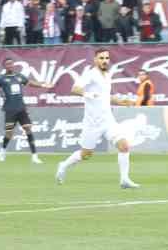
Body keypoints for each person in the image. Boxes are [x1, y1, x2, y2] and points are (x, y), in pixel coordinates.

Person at [54, 48, 142, 189]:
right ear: (95, 60)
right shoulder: (90, 74)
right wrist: (87, 94)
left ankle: (124, 180)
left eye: (106, 58)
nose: (104, 61)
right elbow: (75, 89)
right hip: (93, 123)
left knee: (124, 146)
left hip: (108, 121)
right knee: (86, 154)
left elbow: (105, 96)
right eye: (101, 58)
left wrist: (121, 101)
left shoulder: (107, 75)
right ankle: (63, 165)